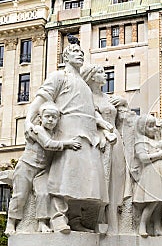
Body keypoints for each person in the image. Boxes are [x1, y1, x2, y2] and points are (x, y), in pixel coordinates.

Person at [24, 44, 109, 233]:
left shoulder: (85, 85)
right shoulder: (58, 77)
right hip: (67, 131)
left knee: (83, 181)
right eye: (75, 52)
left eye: (82, 52)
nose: (80, 54)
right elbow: (40, 99)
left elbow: (92, 111)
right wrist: (28, 121)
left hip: (88, 135)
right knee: (64, 176)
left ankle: (75, 219)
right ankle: (57, 218)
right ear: (65, 57)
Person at [5, 102, 81, 235]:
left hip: (42, 170)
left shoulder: (57, 134)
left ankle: (42, 223)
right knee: (20, 195)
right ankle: (11, 223)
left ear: (58, 120)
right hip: (26, 167)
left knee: (44, 193)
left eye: (54, 117)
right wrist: (68, 144)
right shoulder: (37, 130)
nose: (51, 119)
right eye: (47, 116)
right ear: (40, 119)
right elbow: (47, 144)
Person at [81, 64, 133, 234]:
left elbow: (124, 118)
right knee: (102, 180)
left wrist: (124, 102)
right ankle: (99, 221)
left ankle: (114, 222)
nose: (105, 75)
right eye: (101, 72)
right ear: (92, 77)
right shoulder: (86, 97)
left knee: (117, 179)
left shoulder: (109, 98)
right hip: (99, 140)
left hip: (115, 138)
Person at [132, 115, 162, 237]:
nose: (154, 128)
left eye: (154, 125)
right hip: (152, 174)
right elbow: (143, 158)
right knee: (153, 200)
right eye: (150, 126)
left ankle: (157, 228)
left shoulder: (157, 141)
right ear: (142, 129)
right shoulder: (141, 142)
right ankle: (142, 225)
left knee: (161, 201)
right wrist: (159, 154)